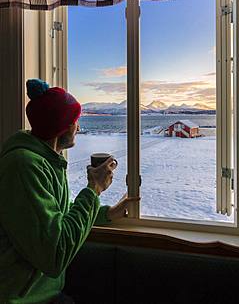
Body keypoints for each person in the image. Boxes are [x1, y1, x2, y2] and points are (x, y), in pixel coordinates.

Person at [0, 79, 138, 304]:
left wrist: (105, 214)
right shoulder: (24, 166)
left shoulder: (47, 160)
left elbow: (58, 217)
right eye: (75, 121)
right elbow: (55, 255)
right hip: (23, 299)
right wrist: (94, 188)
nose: (79, 127)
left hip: (46, 294)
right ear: (62, 127)